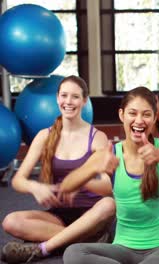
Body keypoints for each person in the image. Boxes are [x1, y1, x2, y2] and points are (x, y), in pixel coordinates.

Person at [61, 86, 159, 264]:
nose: (139, 120)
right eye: (132, 113)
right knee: (73, 253)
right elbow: (67, 185)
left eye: (146, 114)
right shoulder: (111, 152)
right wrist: (94, 168)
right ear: (122, 115)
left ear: (154, 117)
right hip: (121, 249)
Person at [1, 75, 115, 264]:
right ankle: (86, 243)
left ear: (84, 100)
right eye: (64, 96)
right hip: (59, 215)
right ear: (57, 98)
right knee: (10, 221)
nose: (68, 101)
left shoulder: (96, 137)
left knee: (109, 205)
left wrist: (80, 181)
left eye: (75, 97)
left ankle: (43, 248)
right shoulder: (44, 136)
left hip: (92, 214)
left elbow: (108, 187)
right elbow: (18, 180)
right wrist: (35, 187)